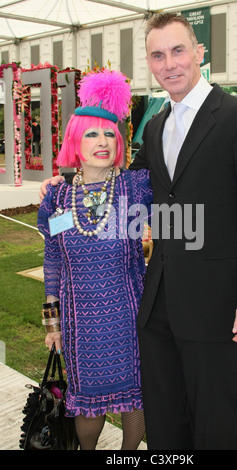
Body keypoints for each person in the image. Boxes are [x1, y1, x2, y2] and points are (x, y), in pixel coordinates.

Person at [40, 13, 237, 450]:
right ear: (150, 64)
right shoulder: (155, 128)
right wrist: (63, 180)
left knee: (212, 424)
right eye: (158, 55)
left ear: (199, 53)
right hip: (156, 308)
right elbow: (119, 188)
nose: (169, 63)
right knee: (167, 423)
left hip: (217, 308)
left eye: (178, 50)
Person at [37, 69, 152, 450]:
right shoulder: (58, 198)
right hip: (80, 323)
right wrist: (52, 324)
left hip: (129, 317)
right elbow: (53, 261)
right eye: (91, 134)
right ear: (75, 141)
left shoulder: (136, 188)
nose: (102, 141)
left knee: (135, 401)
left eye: (109, 134)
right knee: (88, 409)